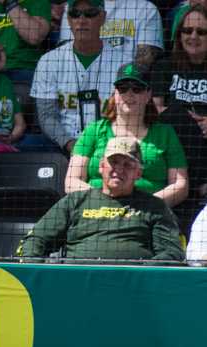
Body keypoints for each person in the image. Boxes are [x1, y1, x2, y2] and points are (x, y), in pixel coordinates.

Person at [21, 136, 184, 260]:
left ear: (138, 173)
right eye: (114, 162)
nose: (119, 170)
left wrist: (140, 274)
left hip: (134, 288)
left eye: (128, 165)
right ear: (101, 166)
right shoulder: (75, 201)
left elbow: (171, 253)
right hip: (75, 283)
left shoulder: (154, 207)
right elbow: (36, 239)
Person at [65, 63, 189, 209]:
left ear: (148, 95)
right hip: (95, 210)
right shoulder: (93, 130)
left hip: (147, 214)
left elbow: (180, 186)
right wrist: (105, 203)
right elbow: (72, 181)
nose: (129, 94)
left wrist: (144, 206)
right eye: (123, 88)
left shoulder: (165, 133)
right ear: (115, 93)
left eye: (137, 89)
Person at [31, 0, 129, 156]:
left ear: (103, 17)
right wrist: (70, 144)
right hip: (61, 144)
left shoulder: (123, 64)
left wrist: (100, 144)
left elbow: (127, 116)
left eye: (90, 14)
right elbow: (47, 116)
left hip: (108, 143)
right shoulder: (49, 61)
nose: (82, 20)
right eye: (75, 14)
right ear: (68, 20)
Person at [151, 7, 207, 228]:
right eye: (187, 30)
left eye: (201, 32)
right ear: (179, 35)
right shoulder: (165, 66)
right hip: (176, 139)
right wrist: (189, 121)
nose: (193, 36)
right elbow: (155, 109)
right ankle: (202, 185)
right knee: (176, 115)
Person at [57, 0, 162, 65]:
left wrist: (121, 79)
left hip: (125, 86)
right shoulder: (75, 7)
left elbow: (144, 61)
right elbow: (67, 56)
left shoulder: (146, 9)